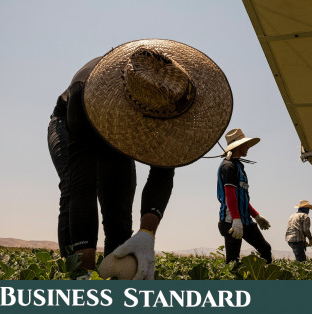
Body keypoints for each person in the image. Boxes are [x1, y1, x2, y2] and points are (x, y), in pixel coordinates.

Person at [48, 39, 233, 279]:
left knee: (118, 206)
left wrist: (147, 233)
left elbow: (163, 172)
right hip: (72, 121)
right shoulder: (85, 89)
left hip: (117, 129)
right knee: (74, 191)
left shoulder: (172, 98)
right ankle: (74, 270)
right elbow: (82, 186)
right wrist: (85, 269)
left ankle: (115, 272)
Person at [216, 128, 272, 264]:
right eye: (245, 144)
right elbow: (230, 195)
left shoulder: (239, 167)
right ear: (238, 146)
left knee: (265, 248)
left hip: (245, 220)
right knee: (233, 261)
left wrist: (256, 216)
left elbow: (241, 198)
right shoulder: (228, 166)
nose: (248, 147)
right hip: (231, 222)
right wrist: (235, 219)